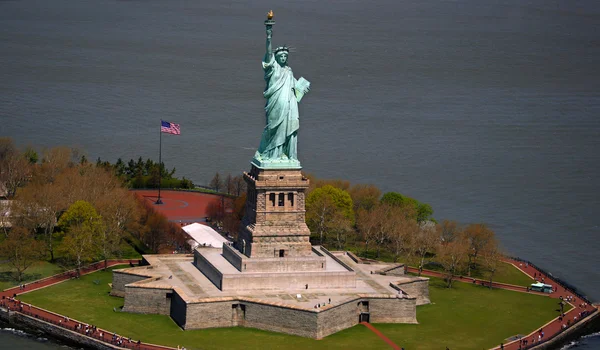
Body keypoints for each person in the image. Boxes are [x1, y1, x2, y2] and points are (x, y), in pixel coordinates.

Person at [254, 20, 310, 163]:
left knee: (287, 128)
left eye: (286, 56)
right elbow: (268, 53)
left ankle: (283, 154)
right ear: (276, 57)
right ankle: (268, 153)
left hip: (289, 104)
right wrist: (268, 36)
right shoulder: (273, 68)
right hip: (276, 103)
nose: (284, 58)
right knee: (272, 128)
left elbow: (294, 86)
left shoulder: (289, 70)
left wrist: (302, 87)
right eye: (281, 56)